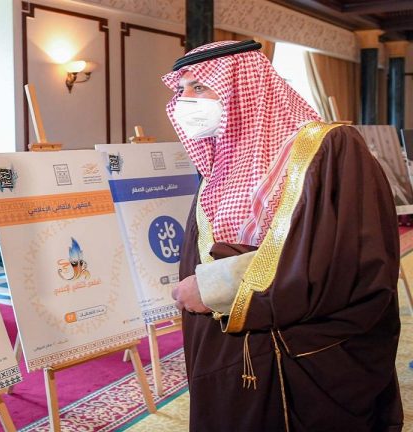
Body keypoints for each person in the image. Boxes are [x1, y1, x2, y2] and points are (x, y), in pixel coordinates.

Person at [165, 41, 402, 431]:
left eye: (200, 86)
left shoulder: (331, 148)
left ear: (243, 86)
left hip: (301, 356)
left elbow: (342, 258)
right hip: (226, 349)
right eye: (181, 89)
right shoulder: (218, 166)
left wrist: (213, 287)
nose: (185, 100)